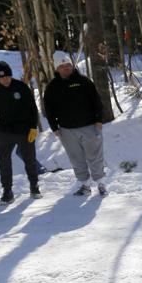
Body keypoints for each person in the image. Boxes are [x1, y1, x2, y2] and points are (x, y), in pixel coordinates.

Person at [43, 51, 107, 196]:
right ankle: (84, 184)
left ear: (72, 66)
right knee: (76, 158)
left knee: (95, 156)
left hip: (89, 126)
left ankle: (101, 183)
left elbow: (97, 102)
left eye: (68, 65)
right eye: (62, 66)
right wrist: (54, 127)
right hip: (66, 130)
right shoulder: (52, 87)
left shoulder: (84, 82)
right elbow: (49, 109)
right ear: (56, 69)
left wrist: (98, 120)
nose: (66, 68)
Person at [0, 60, 41, 202]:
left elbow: (32, 109)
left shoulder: (21, 86)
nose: (4, 80)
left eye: (7, 76)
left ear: (10, 75)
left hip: (24, 130)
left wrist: (33, 127)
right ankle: (7, 191)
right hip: (4, 132)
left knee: (30, 160)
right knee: (4, 162)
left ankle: (34, 186)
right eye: (1, 77)